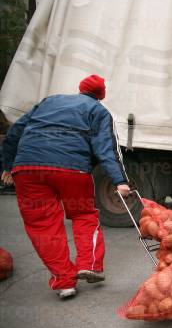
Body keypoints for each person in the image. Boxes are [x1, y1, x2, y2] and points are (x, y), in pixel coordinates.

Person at [1, 74, 130, 299]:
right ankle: (88, 264)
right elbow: (106, 149)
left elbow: (14, 133)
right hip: (72, 169)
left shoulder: (48, 102)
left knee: (42, 225)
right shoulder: (98, 111)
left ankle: (64, 282)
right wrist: (120, 181)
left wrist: (7, 165)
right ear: (101, 95)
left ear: (80, 89)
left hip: (27, 169)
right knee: (83, 215)